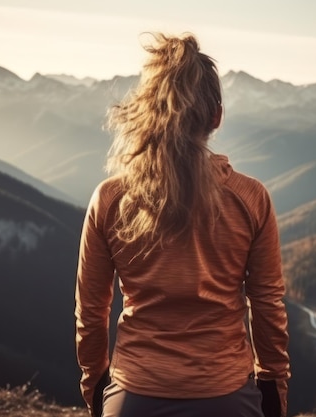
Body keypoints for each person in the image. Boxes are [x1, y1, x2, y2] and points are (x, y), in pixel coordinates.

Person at [75, 32, 290, 417]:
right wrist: (273, 386)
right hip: (227, 397)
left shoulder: (110, 199)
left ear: (149, 110)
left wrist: (95, 385)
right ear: (216, 116)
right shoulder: (250, 198)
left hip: (134, 396)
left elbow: (92, 311)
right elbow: (267, 303)